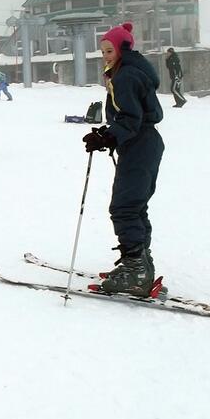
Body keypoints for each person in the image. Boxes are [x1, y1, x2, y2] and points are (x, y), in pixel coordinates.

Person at [81, 22, 164, 298]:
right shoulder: (133, 72)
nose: (105, 55)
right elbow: (132, 116)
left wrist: (107, 138)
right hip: (145, 143)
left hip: (139, 144)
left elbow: (130, 118)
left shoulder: (125, 76)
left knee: (124, 207)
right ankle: (141, 264)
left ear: (123, 49)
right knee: (135, 207)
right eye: (103, 50)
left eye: (109, 50)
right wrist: (108, 133)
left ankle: (136, 269)